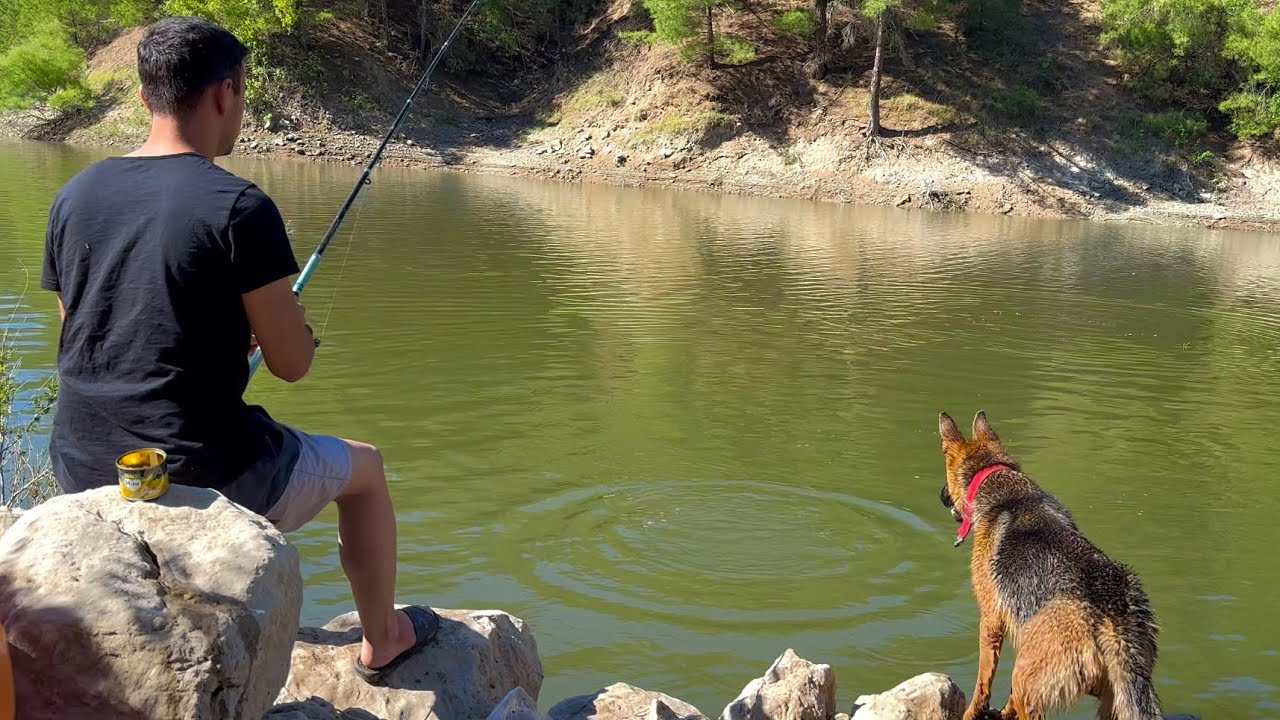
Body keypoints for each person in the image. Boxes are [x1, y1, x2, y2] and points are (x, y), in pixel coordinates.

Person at [39, 16, 436, 684]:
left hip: (80, 462)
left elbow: (86, 328)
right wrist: (287, 326)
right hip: (201, 469)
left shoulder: (75, 195)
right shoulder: (238, 206)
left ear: (144, 98)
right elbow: (292, 364)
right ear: (225, 94)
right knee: (364, 473)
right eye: (243, 96)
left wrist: (218, 329)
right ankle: (383, 641)